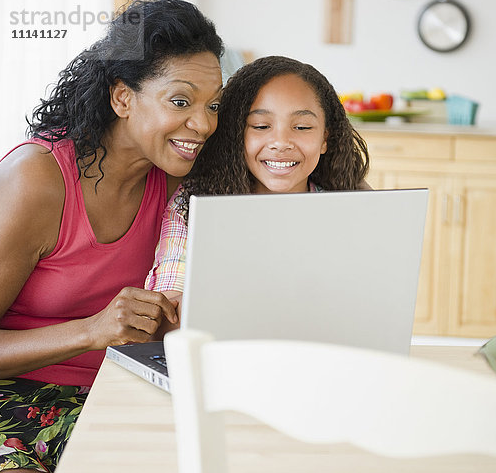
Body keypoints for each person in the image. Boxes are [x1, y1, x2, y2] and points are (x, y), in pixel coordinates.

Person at [0, 0, 223, 473]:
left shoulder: (178, 177)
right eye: (180, 101)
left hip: (123, 395)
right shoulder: (35, 180)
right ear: (122, 98)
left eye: (212, 105)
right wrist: (93, 331)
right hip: (10, 401)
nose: (202, 124)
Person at [145, 55, 370, 303]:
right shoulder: (193, 206)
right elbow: (168, 305)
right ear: (236, 135)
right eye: (261, 126)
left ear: (325, 138)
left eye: (302, 127)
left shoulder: (349, 211)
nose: (281, 143)